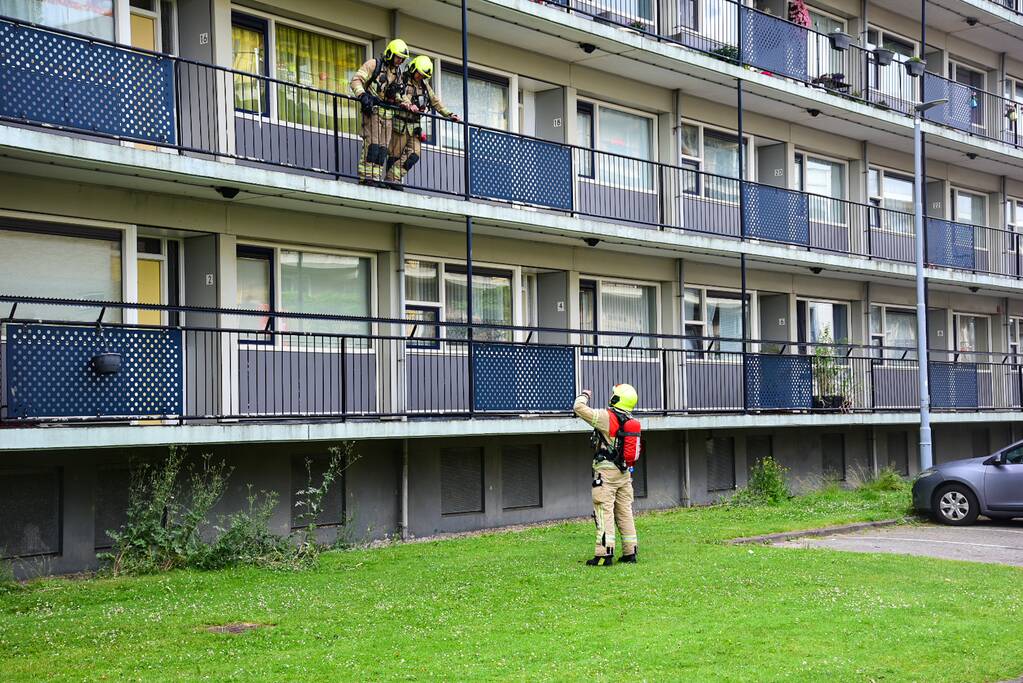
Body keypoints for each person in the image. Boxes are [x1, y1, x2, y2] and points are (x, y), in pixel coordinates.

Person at [574, 384, 639, 566]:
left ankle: (604, 555)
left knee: (604, 512)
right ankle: (630, 552)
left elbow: (578, 408)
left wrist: (584, 395)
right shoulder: (629, 419)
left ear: (616, 398)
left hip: (606, 474)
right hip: (624, 474)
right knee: (625, 512)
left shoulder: (606, 417)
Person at [385, 55, 459, 190]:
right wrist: (408, 104)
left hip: (414, 126)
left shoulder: (425, 86)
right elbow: (396, 94)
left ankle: (392, 178)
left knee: (414, 154)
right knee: (394, 155)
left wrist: (449, 114)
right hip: (400, 124)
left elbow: (435, 101)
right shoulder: (402, 78)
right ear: (413, 69)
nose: (420, 77)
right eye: (419, 73)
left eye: (423, 75)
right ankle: (393, 181)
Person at [350, 39, 410, 187]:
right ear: (390, 54)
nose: (399, 61)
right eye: (398, 57)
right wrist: (362, 96)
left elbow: (399, 94)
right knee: (372, 145)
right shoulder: (373, 64)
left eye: (402, 59)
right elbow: (356, 80)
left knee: (383, 149)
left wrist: (405, 103)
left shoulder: (397, 73)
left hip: (388, 114)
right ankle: (366, 177)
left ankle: (375, 178)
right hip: (373, 111)